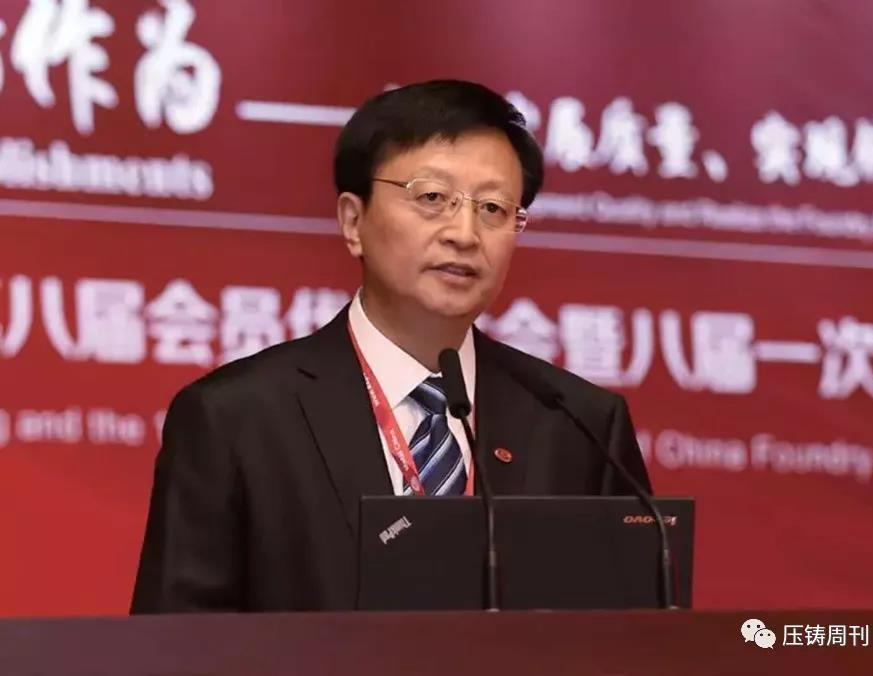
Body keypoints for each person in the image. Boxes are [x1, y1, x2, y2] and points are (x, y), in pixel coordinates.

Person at [131, 80, 651, 613]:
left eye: (494, 208)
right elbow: (174, 645)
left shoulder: (579, 424)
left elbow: (636, 638)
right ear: (353, 221)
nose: (464, 233)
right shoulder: (235, 419)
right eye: (432, 199)